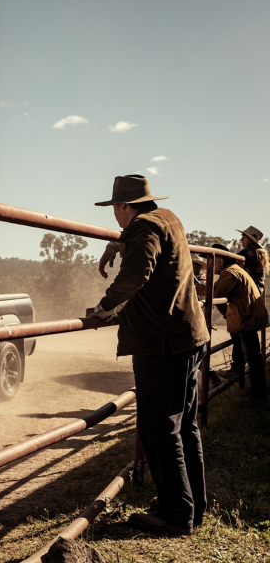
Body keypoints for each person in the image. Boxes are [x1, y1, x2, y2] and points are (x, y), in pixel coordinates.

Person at [91, 174, 209, 536]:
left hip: (162, 343)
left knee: (160, 429)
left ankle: (176, 515)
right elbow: (147, 248)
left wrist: (105, 307)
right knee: (183, 425)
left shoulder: (143, 228)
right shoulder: (166, 218)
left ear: (124, 207)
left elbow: (136, 272)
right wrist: (121, 242)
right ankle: (190, 504)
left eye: (115, 209)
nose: (115, 216)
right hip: (185, 336)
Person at [211, 244, 268, 399]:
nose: (210, 265)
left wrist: (193, 286)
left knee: (253, 358)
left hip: (246, 318)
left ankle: (258, 394)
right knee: (251, 354)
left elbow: (215, 292)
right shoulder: (235, 270)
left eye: (212, 261)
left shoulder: (229, 273)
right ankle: (238, 371)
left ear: (221, 262)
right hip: (248, 316)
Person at [236, 225, 267, 295]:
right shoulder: (258, 252)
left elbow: (232, 258)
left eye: (244, 237)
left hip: (251, 290)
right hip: (257, 290)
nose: (241, 240)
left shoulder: (250, 251)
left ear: (250, 240)